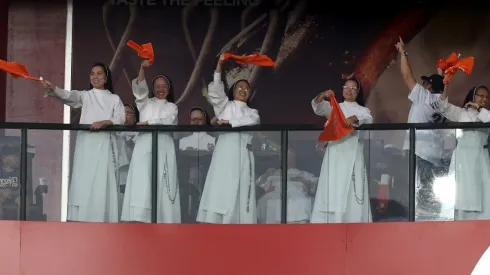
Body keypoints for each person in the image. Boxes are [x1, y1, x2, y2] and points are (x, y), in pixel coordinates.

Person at [42, 62, 125, 222]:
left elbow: (121, 118)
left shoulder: (114, 98)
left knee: (102, 180)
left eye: (99, 73)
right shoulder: (86, 95)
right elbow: (69, 96)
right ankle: (82, 219)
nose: (95, 77)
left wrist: (105, 122)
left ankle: (102, 218)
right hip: (86, 144)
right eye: (92, 73)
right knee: (84, 180)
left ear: (106, 77)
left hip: (105, 144)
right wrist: (53, 88)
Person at [197, 54, 260, 224]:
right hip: (224, 153)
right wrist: (219, 65)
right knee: (221, 186)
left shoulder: (252, 112)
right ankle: (216, 221)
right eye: (239, 86)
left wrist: (229, 122)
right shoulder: (225, 106)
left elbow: (251, 122)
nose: (242, 89)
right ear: (232, 91)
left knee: (241, 188)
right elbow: (216, 90)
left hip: (243, 154)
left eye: (246, 88)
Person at [121, 60, 181, 223]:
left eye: (164, 86)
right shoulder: (145, 103)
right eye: (157, 86)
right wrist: (141, 68)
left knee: (163, 180)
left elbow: (168, 121)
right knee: (142, 180)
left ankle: (163, 218)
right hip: (144, 145)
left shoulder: (172, 107)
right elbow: (140, 90)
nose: (161, 89)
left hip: (164, 146)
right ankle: (140, 218)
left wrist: (148, 123)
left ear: (169, 89)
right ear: (153, 89)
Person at [395, 37, 446, 216]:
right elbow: (442, 84)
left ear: (429, 86)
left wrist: (403, 52)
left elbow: (406, 75)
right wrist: (440, 72)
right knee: (429, 194)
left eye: (426, 82)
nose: (423, 84)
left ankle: (414, 221)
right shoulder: (443, 101)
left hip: (419, 150)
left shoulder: (423, 96)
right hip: (436, 154)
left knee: (412, 193)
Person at [310, 78, 373, 223]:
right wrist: (323, 95)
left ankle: (353, 222)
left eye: (353, 88)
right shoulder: (335, 107)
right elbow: (317, 107)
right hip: (335, 153)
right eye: (346, 87)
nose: (349, 90)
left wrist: (356, 118)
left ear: (358, 92)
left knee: (353, 190)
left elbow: (368, 119)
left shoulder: (362, 110)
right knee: (333, 187)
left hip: (354, 154)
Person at [437, 84, 490, 220]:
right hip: (463, 157)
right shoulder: (461, 113)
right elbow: (443, 107)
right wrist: (446, 85)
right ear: (473, 95)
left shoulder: (486, 114)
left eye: (486, 97)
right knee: (461, 191)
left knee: (483, 191)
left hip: (480, 158)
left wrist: (479, 109)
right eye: (481, 96)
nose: (484, 99)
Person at [256, 150, 318, 223]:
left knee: (304, 201)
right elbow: (259, 185)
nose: (289, 160)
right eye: (287, 157)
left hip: (298, 195)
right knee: (267, 202)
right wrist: (267, 174)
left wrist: (303, 181)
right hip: (275, 195)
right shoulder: (273, 172)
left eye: (291, 158)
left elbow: (317, 186)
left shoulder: (303, 174)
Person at [116, 103, 139, 217]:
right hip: (115, 175)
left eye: (128, 113)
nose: (125, 115)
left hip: (132, 175)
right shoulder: (113, 132)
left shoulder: (140, 134)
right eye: (123, 112)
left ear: (135, 117)